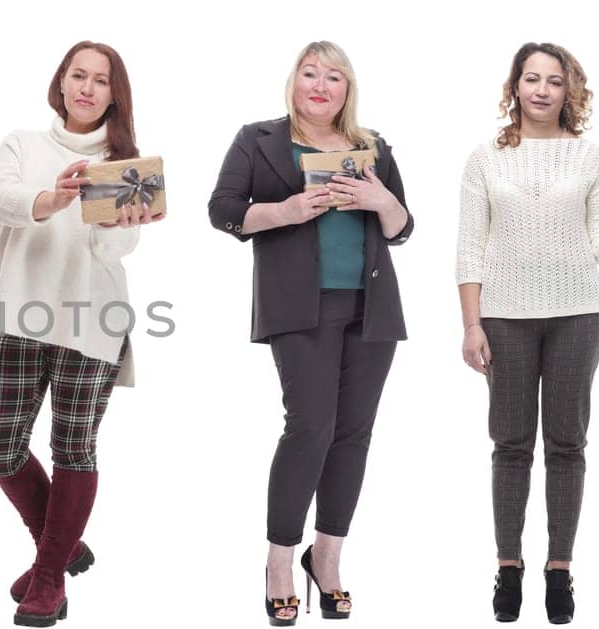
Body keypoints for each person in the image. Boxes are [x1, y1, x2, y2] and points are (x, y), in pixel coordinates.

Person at [457, 42, 599, 626]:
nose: (541, 90)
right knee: (510, 444)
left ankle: (558, 569)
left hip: (577, 314)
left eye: (553, 81)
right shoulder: (484, 159)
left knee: (567, 444)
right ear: (515, 86)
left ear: (568, 91)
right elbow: (469, 249)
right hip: (503, 316)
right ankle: (508, 567)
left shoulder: (591, 158)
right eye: (531, 78)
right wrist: (471, 323)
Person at [208, 40, 412, 626]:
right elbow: (222, 209)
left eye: (335, 78)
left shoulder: (374, 147)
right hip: (300, 307)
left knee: (354, 435)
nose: (321, 85)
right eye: (310, 74)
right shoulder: (258, 139)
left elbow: (401, 228)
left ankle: (326, 557)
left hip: (372, 307)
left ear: (349, 90)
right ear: (293, 81)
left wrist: (381, 199)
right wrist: (286, 211)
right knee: (309, 430)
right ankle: (278, 561)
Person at [0, 41, 161, 628]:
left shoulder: (126, 164)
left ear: (115, 93)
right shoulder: (23, 145)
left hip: (94, 319)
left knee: (73, 447)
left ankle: (50, 577)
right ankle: (60, 545)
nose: (86, 87)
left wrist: (116, 221)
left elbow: (115, 251)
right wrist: (51, 198)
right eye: (77, 75)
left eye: (100, 80)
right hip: (19, 314)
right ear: (60, 84)